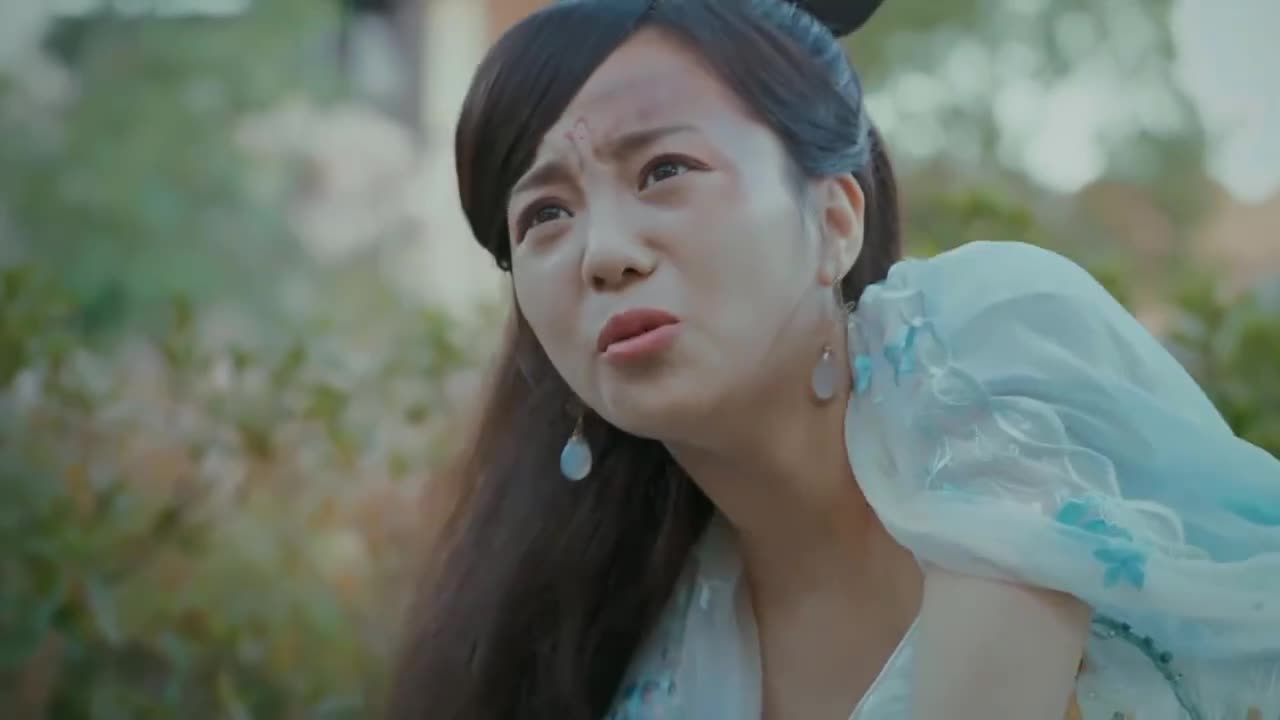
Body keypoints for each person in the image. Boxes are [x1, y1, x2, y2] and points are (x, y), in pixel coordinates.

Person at [387, 1, 1280, 718]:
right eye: (544, 215)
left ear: (836, 219)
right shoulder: (651, 663)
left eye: (664, 170)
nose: (604, 253)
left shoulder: (982, 351)